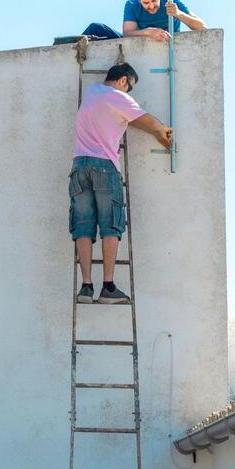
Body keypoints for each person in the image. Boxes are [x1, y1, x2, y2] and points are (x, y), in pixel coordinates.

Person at [69, 62, 172, 304]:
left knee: (82, 226)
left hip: (79, 166)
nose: (129, 94)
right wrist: (163, 131)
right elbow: (148, 120)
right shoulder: (118, 96)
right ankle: (108, 286)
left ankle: (85, 287)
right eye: (130, 88)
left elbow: (130, 119)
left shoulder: (93, 92)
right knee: (110, 225)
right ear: (123, 81)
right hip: (104, 166)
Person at [79, 0, 206, 41]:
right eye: (146, 3)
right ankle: (60, 53)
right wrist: (148, 32)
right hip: (139, 41)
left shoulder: (170, 1)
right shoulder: (132, 5)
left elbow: (202, 27)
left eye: (154, 0)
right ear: (139, 0)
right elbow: (127, 34)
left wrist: (179, 14)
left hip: (169, 44)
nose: (151, 6)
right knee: (95, 27)